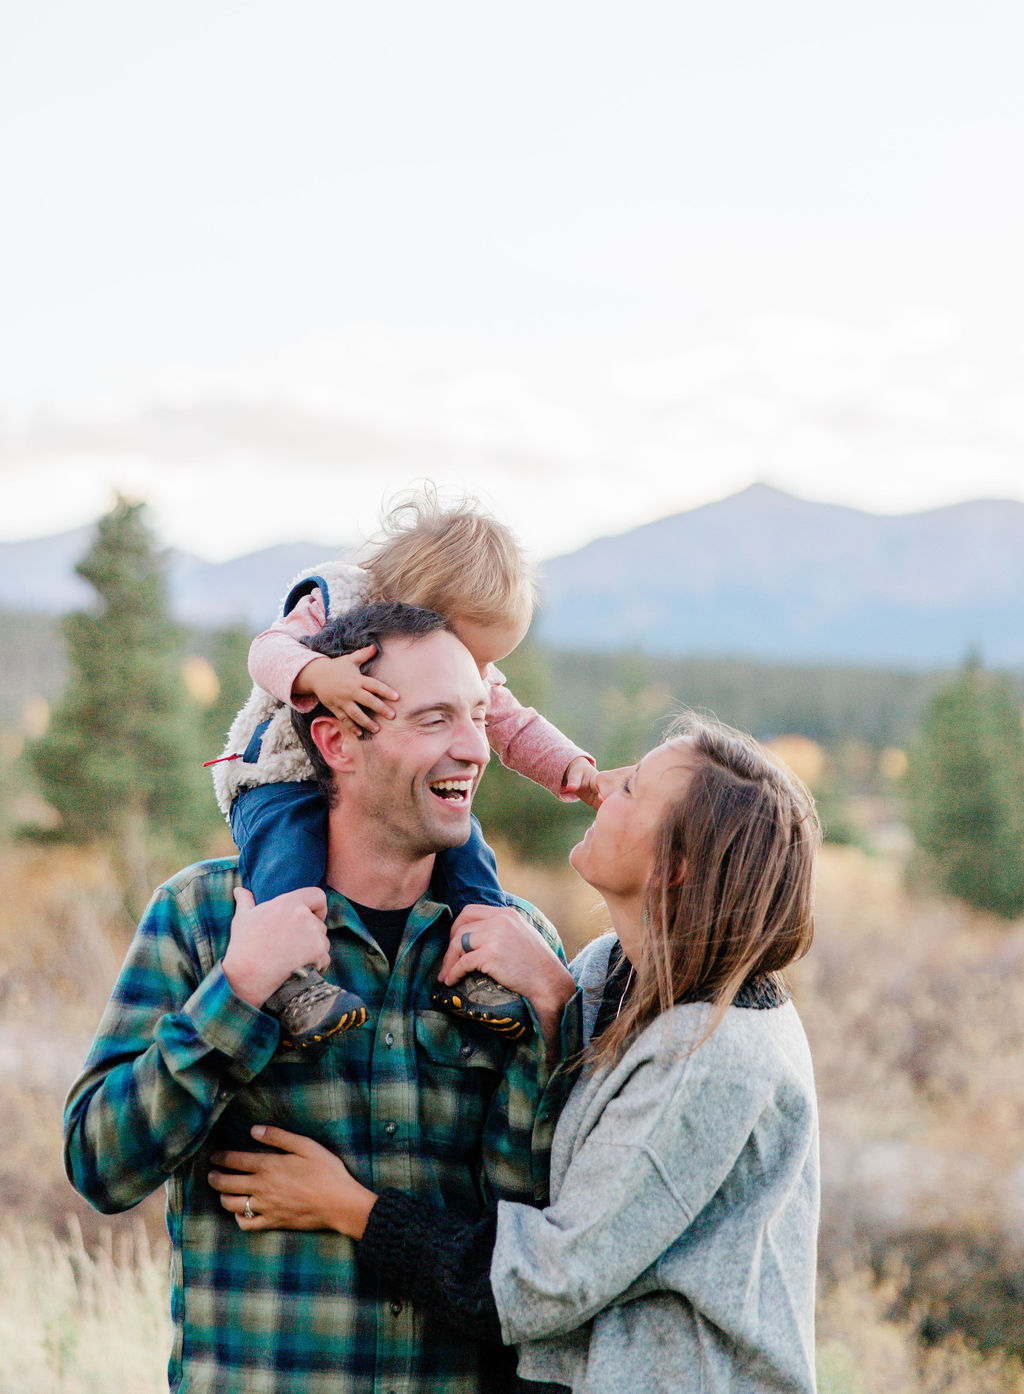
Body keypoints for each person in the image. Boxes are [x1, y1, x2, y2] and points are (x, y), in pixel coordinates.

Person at [208, 714, 822, 1394]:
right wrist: (557, 1001)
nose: (603, 782)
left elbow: (548, 1281)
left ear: (674, 868)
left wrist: (346, 1206)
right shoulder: (606, 972)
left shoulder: (715, 1055)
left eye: (633, 790)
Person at [64, 602, 571, 1394]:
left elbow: (551, 1235)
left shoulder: (515, 947)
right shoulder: (202, 917)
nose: (474, 747)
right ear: (336, 739)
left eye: (477, 716)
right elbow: (101, 1166)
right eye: (435, 719)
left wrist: (552, 1009)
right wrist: (239, 992)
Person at [209, 489, 599, 1050]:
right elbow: (268, 650)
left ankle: (480, 962)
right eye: (436, 716)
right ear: (419, 613)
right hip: (278, 773)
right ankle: (289, 979)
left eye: (488, 666)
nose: (479, 675)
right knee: (287, 850)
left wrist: (569, 766)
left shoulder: (535, 937)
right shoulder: (338, 601)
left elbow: (511, 724)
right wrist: (318, 675)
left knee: (472, 856)